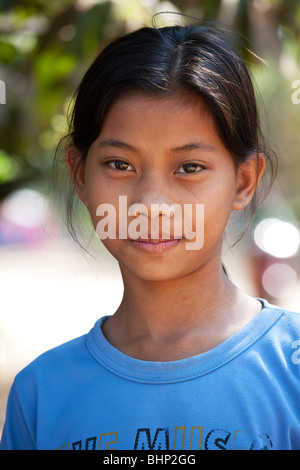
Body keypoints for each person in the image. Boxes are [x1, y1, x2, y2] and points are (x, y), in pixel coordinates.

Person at [1, 23, 299, 451]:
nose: (151, 204)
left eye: (190, 167)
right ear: (80, 175)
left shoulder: (291, 372)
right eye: (120, 165)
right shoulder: (42, 394)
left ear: (244, 182)